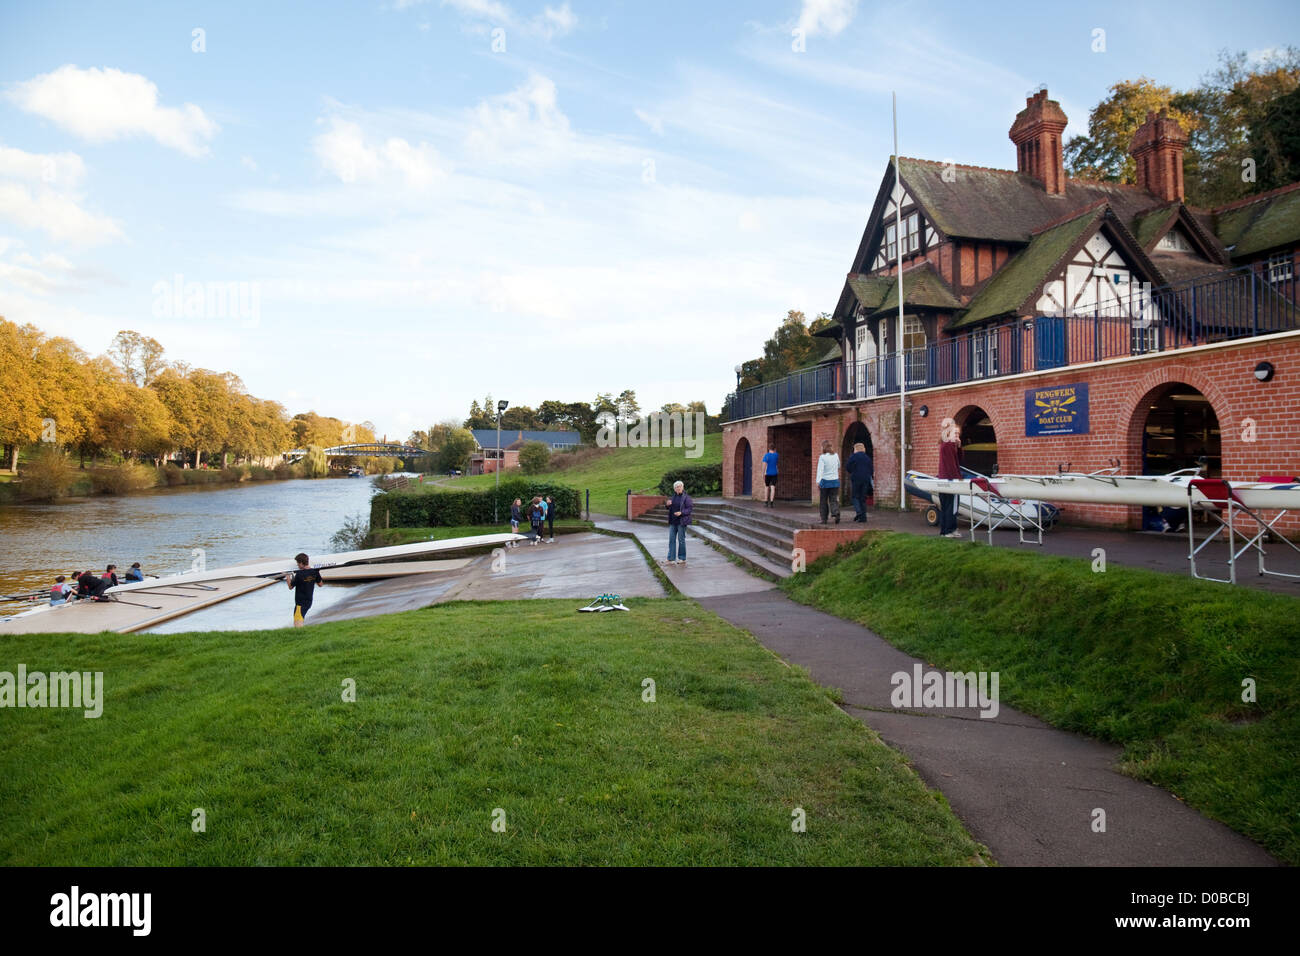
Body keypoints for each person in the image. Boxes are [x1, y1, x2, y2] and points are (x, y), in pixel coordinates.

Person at [937, 417, 963, 538]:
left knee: (950, 506)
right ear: (948, 434)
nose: (957, 436)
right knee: (950, 506)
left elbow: (959, 462)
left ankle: (948, 530)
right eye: (955, 433)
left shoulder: (949, 446)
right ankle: (948, 530)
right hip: (950, 480)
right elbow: (953, 466)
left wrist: (958, 447)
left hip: (948, 479)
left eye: (958, 433)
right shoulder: (947, 446)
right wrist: (958, 479)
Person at [285, 553, 324, 627]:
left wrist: (287, 577)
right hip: (309, 601)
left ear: (301, 563)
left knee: (297, 621)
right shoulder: (315, 572)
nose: (298, 566)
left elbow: (290, 586)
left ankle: (299, 635)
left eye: (298, 564)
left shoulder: (299, 574)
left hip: (300, 603)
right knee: (301, 617)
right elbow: (320, 584)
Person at [664, 480, 693, 566]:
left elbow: (689, 509)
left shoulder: (686, 497)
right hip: (673, 522)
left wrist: (681, 513)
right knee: (671, 540)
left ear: (682, 487)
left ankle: (682, 558)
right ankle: (671, 559)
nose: (678, 488)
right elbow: (668, 508)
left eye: (680, 486)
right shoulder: (673, 497)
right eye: (676, 487)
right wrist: (667, 505)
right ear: (674, 489)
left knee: (681, 540)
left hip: (681, 522)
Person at [846, 442, 874, 522]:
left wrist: (852, 471)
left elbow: (848, 467)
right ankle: (863, 518)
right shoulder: (867, 458)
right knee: (863, 498)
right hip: (865, 479)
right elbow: (871, 469)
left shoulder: (853, 457)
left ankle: (859, 512)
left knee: (855, 497)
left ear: (856, 449)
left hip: (856, 479)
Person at [816, 440, 841, 524]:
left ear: (823, 447)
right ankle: (836, 513)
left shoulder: (822, 457)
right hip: (835, 481)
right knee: (834, 499)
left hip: (825, 481)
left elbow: (820, 470)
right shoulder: (836, 455)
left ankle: (824, 519)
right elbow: (839, 466)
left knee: (823, 501)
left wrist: (818, 481)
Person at [761, 442, 779, 507]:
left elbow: (764, 465)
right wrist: (775, 450)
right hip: (775, 473)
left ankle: (766, 502)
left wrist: (762, 473)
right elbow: (776, 463)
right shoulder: (776, 455)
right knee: (773, 488)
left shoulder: (766, 455)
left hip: (768, 473)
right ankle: (771, 503)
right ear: (774, 449)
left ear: (768, 448)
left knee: (766, 487)